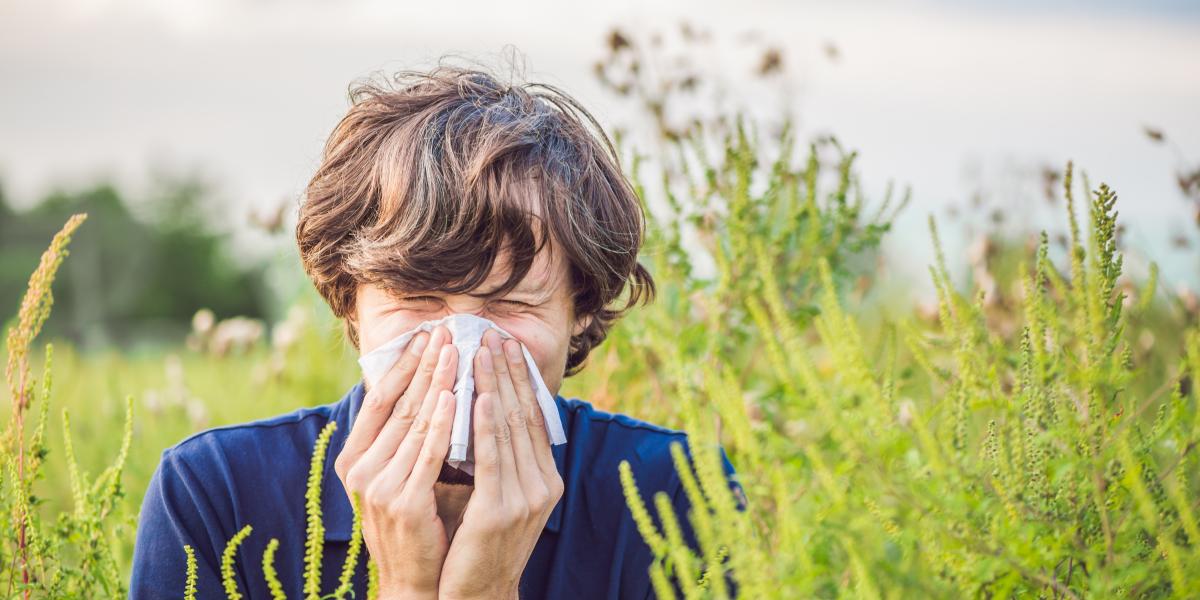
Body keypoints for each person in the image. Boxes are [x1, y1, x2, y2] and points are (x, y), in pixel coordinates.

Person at [130, 61, 744, 599]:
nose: (462, 347)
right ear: (349, 302)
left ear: (579, 309)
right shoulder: (217, 496)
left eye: (509, 304)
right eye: (418, 297)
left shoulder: (678, 495)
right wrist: (406, 589)